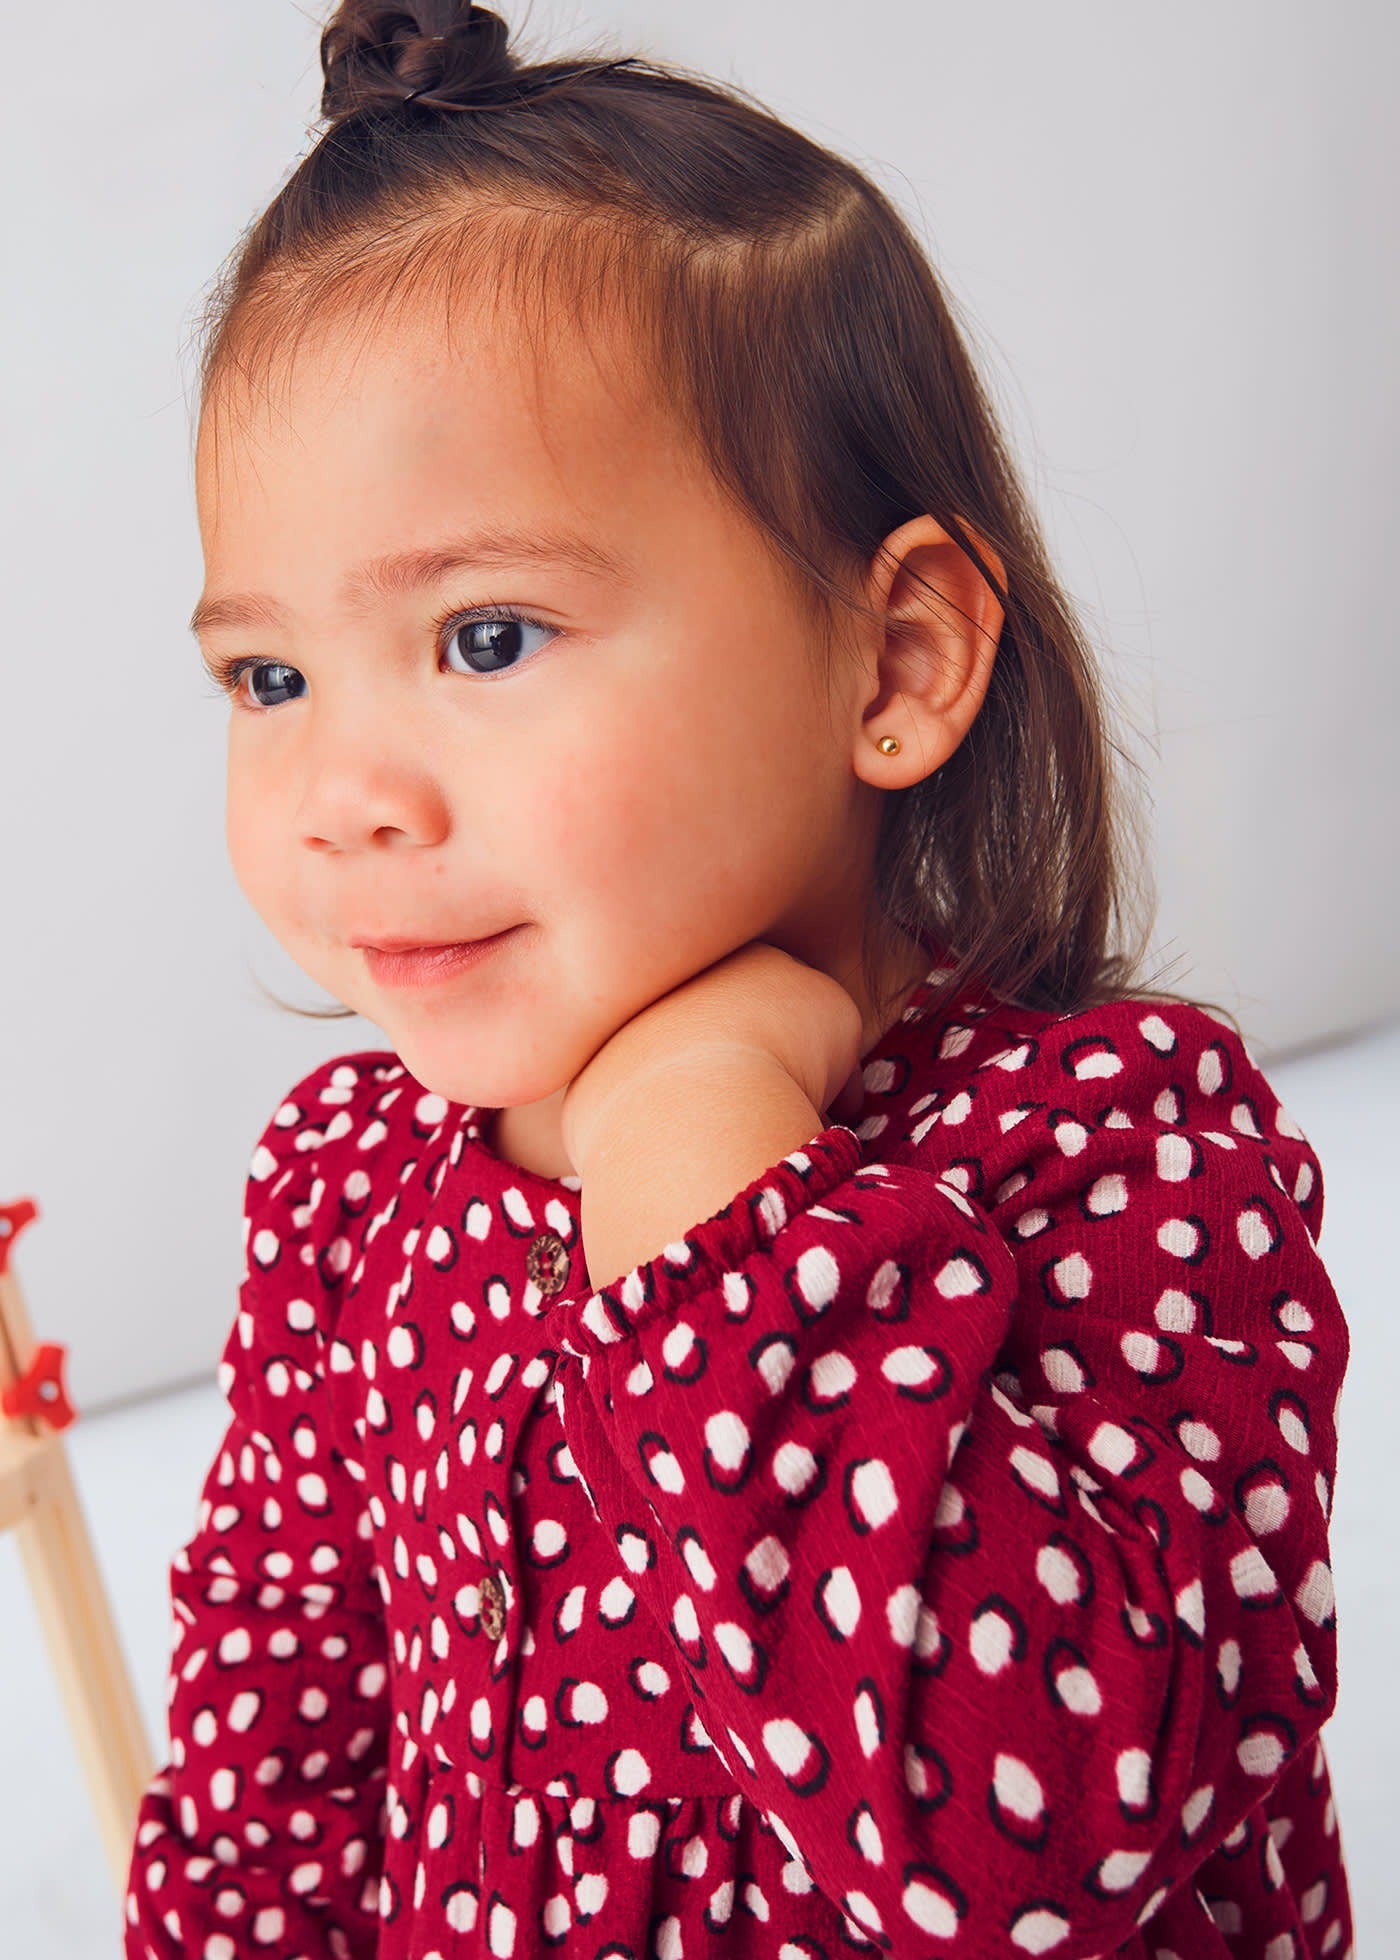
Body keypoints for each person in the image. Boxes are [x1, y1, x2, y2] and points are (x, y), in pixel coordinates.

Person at [121, 4, 1355, 1956]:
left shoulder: (1117, 1148)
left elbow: (1034, 1864)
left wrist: (704, 1157)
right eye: (266, 676)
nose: (342, 792)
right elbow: (280, 1748)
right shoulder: (351, 1187)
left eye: (489, 632)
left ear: (891, 664)